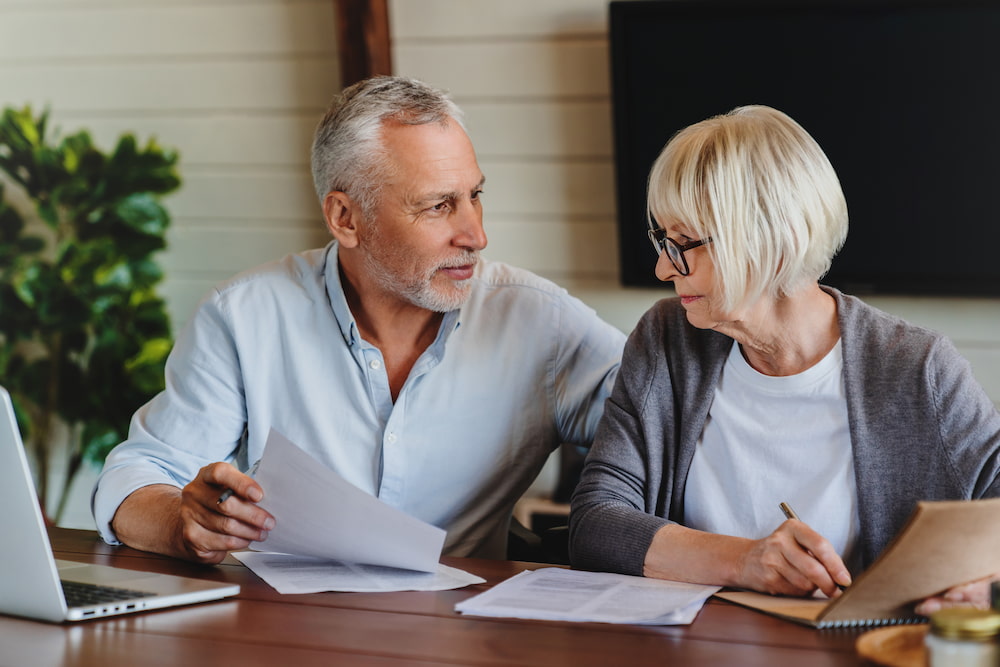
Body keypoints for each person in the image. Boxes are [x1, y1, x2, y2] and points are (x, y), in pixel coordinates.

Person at [92, 75, 625, 564]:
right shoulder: (243, 317)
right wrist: (184, 523)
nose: (475, 235)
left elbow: (672, 417)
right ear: (345, 218)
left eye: (474, 196)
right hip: (282, 628)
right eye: (438, 206)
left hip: (461, 634)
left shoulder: (538, 322)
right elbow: (134, 478)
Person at [569, 105, 1000, 611]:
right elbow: (595, 524)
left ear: (769, 242)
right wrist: (745, 560)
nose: (664, 267)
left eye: (684, 243)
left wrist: (982, 586)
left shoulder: (916, 369)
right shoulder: (666, 340)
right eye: (663, 240)